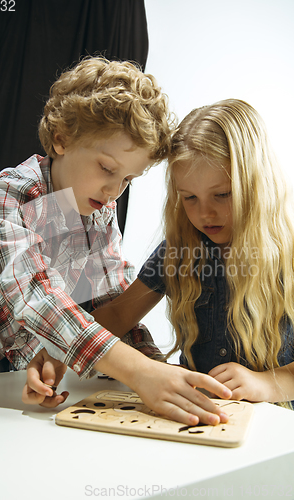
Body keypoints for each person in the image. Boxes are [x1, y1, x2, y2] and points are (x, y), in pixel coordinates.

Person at [0, 56, 232, 426]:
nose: (113, 190)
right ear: (61, 139)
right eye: (106, 168)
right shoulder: (10, 196)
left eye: (127, 180)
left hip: (19, 374)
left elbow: (112, 303)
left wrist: (159, 371)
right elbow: (37, 299)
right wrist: (140, 372)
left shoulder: (99, 209)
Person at [25, 98, 294, 417]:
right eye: (190, 198)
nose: (204, 213)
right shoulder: (179, 251)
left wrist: (267, 382)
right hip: (197, 419)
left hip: (274, 431)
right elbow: (116, 316)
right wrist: (59, 351)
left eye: (222, 195)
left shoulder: (287, 256)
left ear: (256, 184)